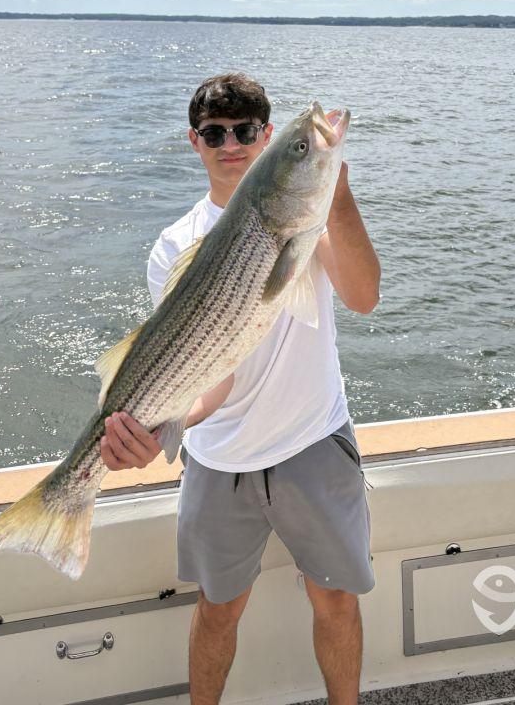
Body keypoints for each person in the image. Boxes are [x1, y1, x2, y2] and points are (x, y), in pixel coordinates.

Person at [98, 72, 381, 705]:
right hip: (220, 457)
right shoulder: (175, 245)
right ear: (194, 142)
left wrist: (336, 198)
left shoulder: (313, 221)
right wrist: (160, 428)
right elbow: (211, 380)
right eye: (216, 133)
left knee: (335, 599)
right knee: (218, 609)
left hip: (313, 438)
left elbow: (363, 298)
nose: (232, 143)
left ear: (266, 136)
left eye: (248, 130)